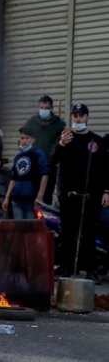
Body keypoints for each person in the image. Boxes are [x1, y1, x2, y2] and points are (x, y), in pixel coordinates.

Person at [50, 103, 109, 279]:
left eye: (81, 116)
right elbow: (52, 161)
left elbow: (105, 169)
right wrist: (61, 144)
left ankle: (90, 269)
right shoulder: (65, 139)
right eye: (75, 116)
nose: (78, 119)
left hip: (91, 196)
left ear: (87, 117)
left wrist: (106, 191)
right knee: (67, 233)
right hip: (69, 196)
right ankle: (67, 267)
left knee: (88, 234)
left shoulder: (96, 141)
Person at [23, 95, 66, 204]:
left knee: (46, 196)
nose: (44, 110)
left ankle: (44, 220)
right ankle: (31, 219)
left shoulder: (59, 124)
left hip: (50, 166)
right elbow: (23, 139)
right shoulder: (32, 122)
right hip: (33, 165)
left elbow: (63, 144)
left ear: (51, 109)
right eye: (42, 108)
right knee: (31, 194)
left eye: (47, 108)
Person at [2, 126, 49, 219]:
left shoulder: (38, 154)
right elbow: (13, 178)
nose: (24, 141)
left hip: (31, 200)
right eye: (22, 138)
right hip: (16, 199)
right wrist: (7, 198)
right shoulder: (18, 156)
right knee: (18, 227)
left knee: (29, 228)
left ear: (33, 140)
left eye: (27, 138)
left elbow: (45, 174)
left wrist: (40, 195)